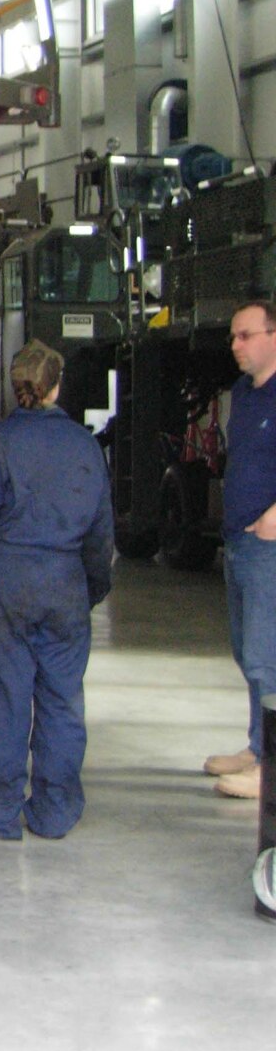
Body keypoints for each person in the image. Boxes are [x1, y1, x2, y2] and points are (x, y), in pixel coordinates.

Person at [0, 341, 114, 840]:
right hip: (64, 583)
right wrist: (92, 588)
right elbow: (101, 530)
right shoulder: (85, 445)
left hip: (6, 583)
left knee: (8, 696)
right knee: (63, 701)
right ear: (57, 384)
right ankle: (54, 812)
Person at [208, 299, 276, 799]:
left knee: (267, 658)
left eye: (246, 335)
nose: (235, 345)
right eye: (234, 336)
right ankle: (258, 748)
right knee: (247, 653)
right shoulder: (243, 393)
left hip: (269, 545)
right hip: (239, 543)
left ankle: (272, 771)